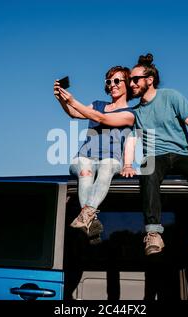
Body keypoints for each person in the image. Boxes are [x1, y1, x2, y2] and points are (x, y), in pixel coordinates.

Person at [121, 54, 188, 257]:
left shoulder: (171, 96)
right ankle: (153, 234)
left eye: (135, 79)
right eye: (129, 80)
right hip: (155, 156)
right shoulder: (136, 112)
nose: (131, 83)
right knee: (148, 170)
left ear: (149, 80)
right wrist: (127, 164)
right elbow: (132, 140)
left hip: (180, 155)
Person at [54, 66, 135, 240]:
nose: (112, 85)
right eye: (109, 81)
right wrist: (62, 99)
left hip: (111, 159)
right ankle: (89, 222)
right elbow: (75, 113)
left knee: (106, 167)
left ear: (127, 84)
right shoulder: (98, 104)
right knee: (85, 171)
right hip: (85, 157)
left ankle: (86, 218)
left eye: (117, 81)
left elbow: (102, 119)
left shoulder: (129, 114)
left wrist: (128, 164)